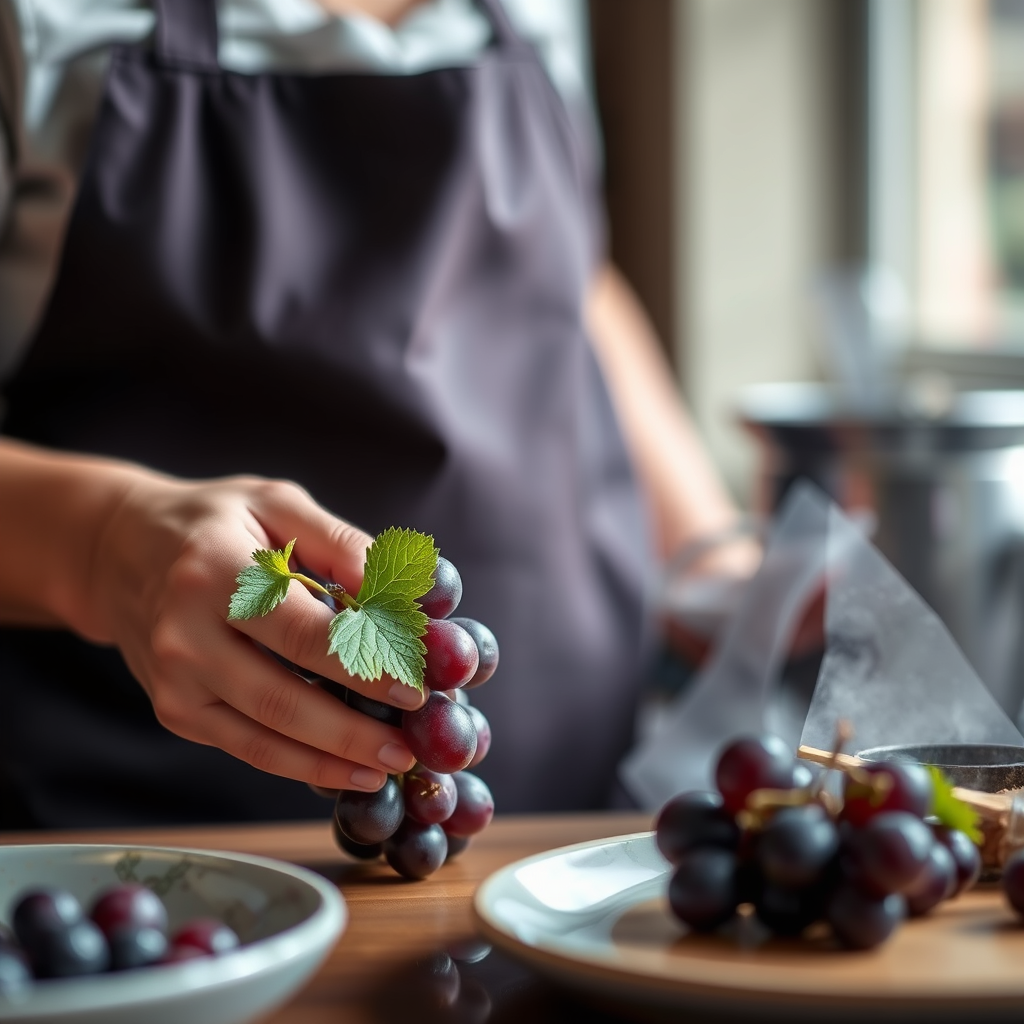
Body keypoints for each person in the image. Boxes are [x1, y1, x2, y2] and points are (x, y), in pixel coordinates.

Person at [0, 0, 742, 829]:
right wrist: (103, 547)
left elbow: (575, 286)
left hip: (573, 828)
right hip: (156, 857)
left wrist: (708, 553)